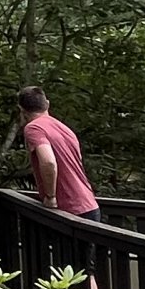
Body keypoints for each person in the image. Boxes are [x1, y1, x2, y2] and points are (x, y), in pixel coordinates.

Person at [17, 87, 98, 218]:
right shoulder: (64, 128)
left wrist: (51, 197)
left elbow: (48, 162)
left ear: (21, 110)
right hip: (89, 205)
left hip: (69, 210)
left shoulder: (34, 128)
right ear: (47, 104)